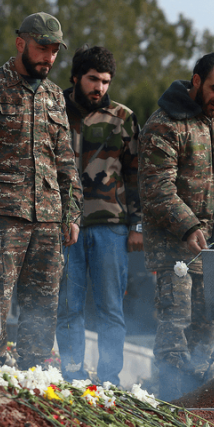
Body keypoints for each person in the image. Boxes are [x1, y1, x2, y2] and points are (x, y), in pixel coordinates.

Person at [0, 12, 82, 369]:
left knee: (43, 307)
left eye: (55, 51)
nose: (49, 58)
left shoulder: (55, 96)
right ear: (20, 43)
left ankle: (33, 378)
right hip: (3, 214)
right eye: (42, 48)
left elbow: (66, 161)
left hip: (49, 219)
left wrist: (71, 214)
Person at [139, 52, 214, 401]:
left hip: (212, 253)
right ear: (195, 81)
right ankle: (172, 408)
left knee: (205, 337)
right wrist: (190, 226)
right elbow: (157, 188)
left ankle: (197, 410)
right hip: (175, 253)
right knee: (175, 337)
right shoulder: (164, 124)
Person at [55, 46, 141, 385]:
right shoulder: (54, 109)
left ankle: (109, 380)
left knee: (110, 309)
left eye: (106, 82)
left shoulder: (123, 118)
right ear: (76, 77)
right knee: (69, 305)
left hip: (111, 227)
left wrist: (137, 224)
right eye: (93, 79)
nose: (100, 88)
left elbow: (137, 176)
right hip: (64, 226)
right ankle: (72, 375)